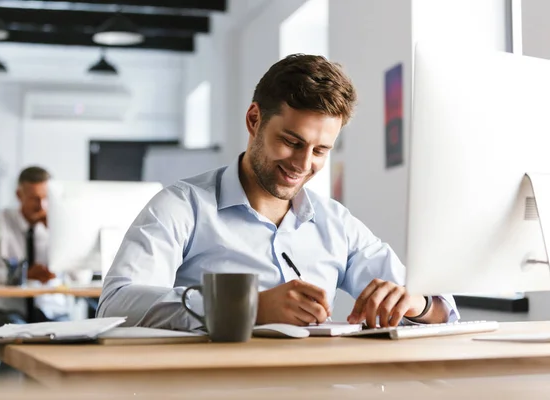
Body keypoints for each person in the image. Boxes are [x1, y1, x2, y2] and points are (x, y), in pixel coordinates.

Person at [98, 54, 459, 330]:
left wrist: (418, 304)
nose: (303, 164)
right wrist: (246, 307)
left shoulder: (336, 223)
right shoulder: (182, 206)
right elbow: (115, 304)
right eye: (291, 141)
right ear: (254, 120)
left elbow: (446, 312)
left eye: (320, 151)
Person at [0, 166, 69, 331]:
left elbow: (81, 276)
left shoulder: (60, 226)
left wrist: (59, 236)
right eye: (34, 198)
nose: (41, 205)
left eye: (46, 198)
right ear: (19, 195)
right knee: (19, 334)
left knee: (69, 342)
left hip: (52, 311)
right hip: (6, 309)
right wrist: (22, 275)